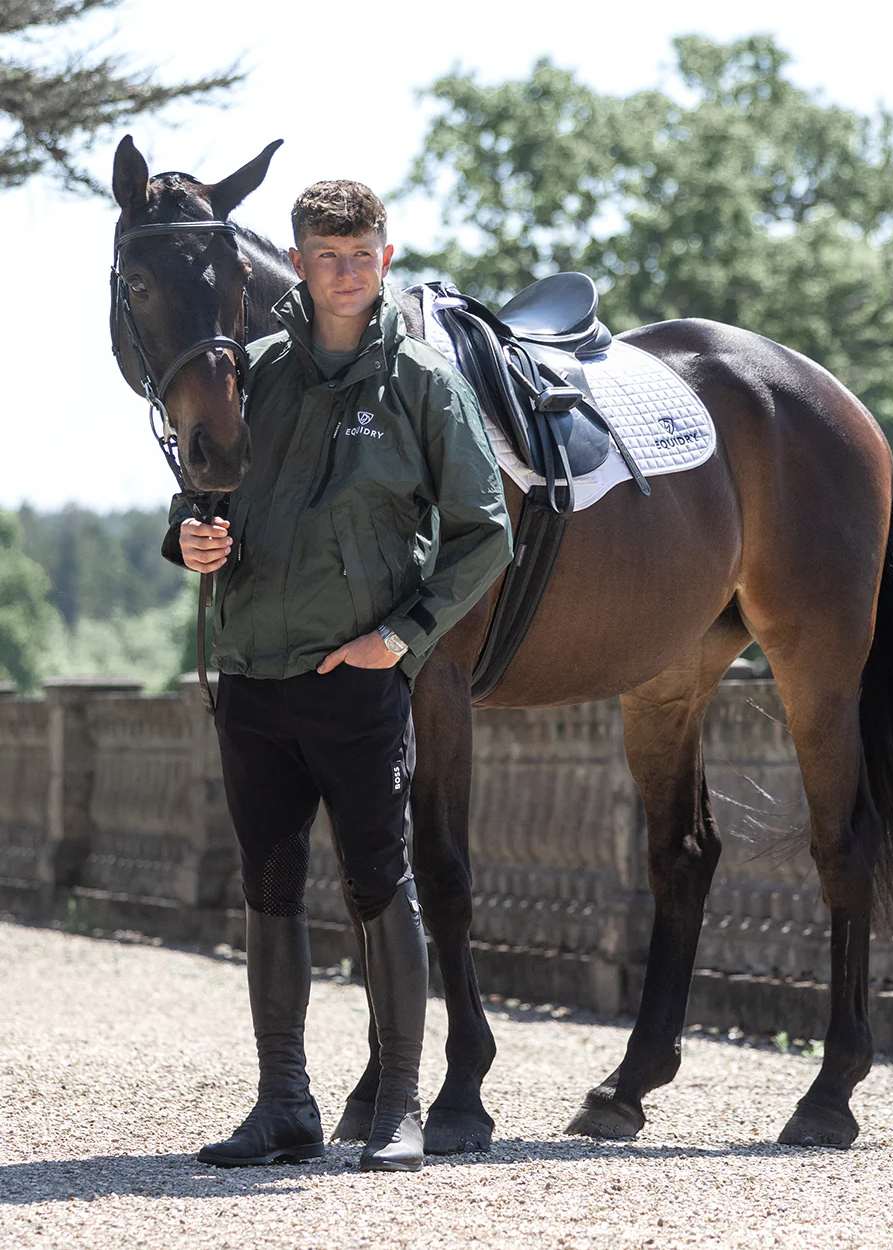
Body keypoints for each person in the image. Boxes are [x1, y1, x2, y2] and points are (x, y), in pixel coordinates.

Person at [161, 180, 513, 1172]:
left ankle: (397, 1107)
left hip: (357, 680)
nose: (344, 271)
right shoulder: (256, 372)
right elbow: (200, 490)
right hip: (252, 680)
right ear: (300, 260)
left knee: (376, 885)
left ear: (385, 259)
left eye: (361, 254)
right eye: (325, 254)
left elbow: (483, 536)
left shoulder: (426, 384)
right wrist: (185, 539)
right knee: (269, 891)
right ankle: (283, 1106)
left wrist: (402, 637)